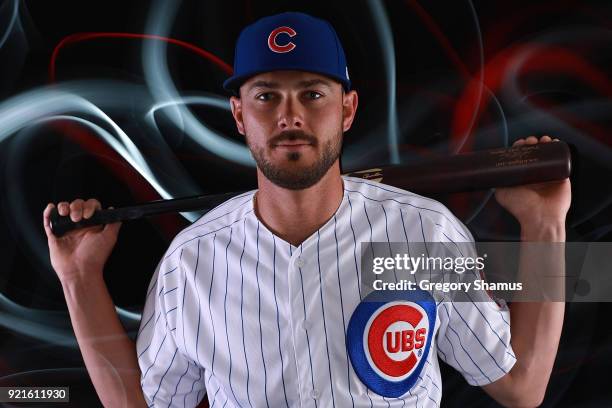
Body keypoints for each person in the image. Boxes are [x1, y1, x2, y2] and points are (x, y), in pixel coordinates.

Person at [43, 12, 570, 408]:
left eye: (312, 93)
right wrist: (79, 278)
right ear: (239, 115)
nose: (289, 115)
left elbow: (521, 388)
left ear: (347, 109)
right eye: (266, 96)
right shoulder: (192, 261)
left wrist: (544, 225)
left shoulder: (424, 232)